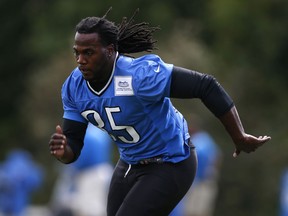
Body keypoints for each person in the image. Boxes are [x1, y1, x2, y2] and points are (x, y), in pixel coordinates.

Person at [48, 8, 271, 216]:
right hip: (129, 163)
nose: (80, 61)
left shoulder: (140, 76)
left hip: (170, 161)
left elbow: (206, 85)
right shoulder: (73, 87)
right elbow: (74, 147)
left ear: (110, 51)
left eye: (88, 53)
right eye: (76, 53)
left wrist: (239, 136)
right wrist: (64, 151)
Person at [50, 123, 114, 216]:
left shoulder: (84, 134)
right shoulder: (102, 131)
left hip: (90, 175)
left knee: (90, 209)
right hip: (104, 171)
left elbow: (79, 161)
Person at [0, 149, 43, 216]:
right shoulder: (28, 169)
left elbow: (36, 181)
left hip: (18, 208)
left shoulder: (27, 171)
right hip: (12, 208)